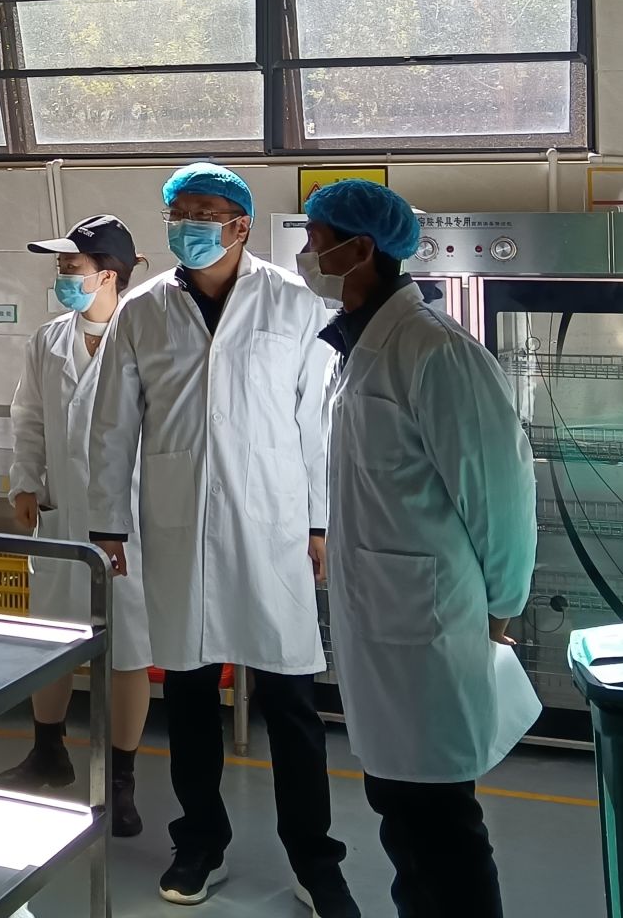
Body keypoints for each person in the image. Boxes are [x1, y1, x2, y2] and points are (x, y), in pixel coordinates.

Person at [88, 162, 354, 916]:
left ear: (241, 224)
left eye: (204, 212)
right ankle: (200, 840)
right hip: (178, 523)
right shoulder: (142, 310)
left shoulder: (294, 301)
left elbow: (317, 420)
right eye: (178, 212)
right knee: (191, 694)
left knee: (290, 699)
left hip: (274, 524)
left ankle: (315, 858)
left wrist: (319, 520)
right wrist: (108, 522)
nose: (188, 226)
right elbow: (113, 423)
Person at [300, 180, 537, 918]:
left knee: (439, 824)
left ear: (360, 249)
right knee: (400, 812)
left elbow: (499, 492)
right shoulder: (360, 346)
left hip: (430, 627)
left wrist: (502, 604)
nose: (307, 255)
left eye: (315, 241)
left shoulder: (434, 351)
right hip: (386, 619)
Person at [0, 214, 154, 839]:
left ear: (108, 274)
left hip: (130, 519)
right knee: (53, 636)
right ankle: (48, 752)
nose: (62, 275)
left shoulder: (145, 335)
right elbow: (29, 416)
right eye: (60, 266)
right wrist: (24, 481)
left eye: (72, 266)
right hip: (62, 513)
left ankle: (121, 779)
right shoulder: (49, 340)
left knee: (129, 649)